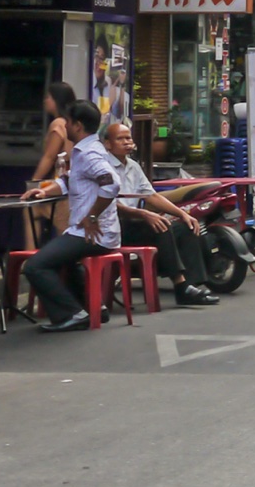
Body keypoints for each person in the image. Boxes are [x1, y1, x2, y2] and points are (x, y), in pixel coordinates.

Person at [23, 102, 120, 333]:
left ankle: (73, 314)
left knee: (35, 266)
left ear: (77, 125)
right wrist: (45, 191)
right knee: (61, 259)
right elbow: (69, 180)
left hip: (93, 234)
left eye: (67, 121)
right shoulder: (82, 150)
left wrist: (93, 215)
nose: (63, 125)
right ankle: (93, 307)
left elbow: (112, 183)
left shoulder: (89, 153)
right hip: (86, 231)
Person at [101, 121, 219, 306]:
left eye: (128, 138)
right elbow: (108, 203)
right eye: (120, 139)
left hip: (135, 222)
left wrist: (182, 214)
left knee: (185, 227)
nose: (126, 142)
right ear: (108, 144)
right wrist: (144, 215)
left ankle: (191, 285)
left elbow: (151, 196)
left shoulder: (133, 166)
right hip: (114, 225)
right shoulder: (103, 167)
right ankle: (180, 285)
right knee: (160, 226)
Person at [18, 81, 78, 250]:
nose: (45, 101)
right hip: (73, 184)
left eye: (48, 97)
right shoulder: (73, 123)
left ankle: (29, 256)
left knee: (32, 210)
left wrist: (34, 182)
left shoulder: (58, 124)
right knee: (62, 225)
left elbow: (50, 157)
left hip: (62, 184)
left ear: (57, 100)